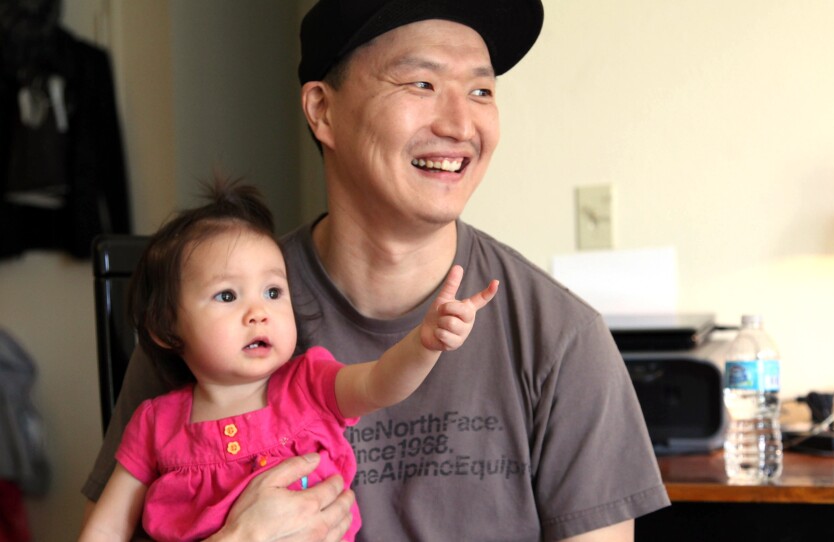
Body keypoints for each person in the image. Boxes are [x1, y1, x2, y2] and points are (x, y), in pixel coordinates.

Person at [82, 1, 671, 540]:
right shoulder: (214, 314)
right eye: (422, 83)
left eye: (481, 91)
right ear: (323, 111)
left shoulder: (561, 338)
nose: (460, 125)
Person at [78, 179, 497, 542]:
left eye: (273, 292)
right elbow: (106, 530)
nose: (258, 312)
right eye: (228, 295)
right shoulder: (154, 425)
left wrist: (424, 344)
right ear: (166, 328)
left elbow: (379, 383)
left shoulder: (309, 383)